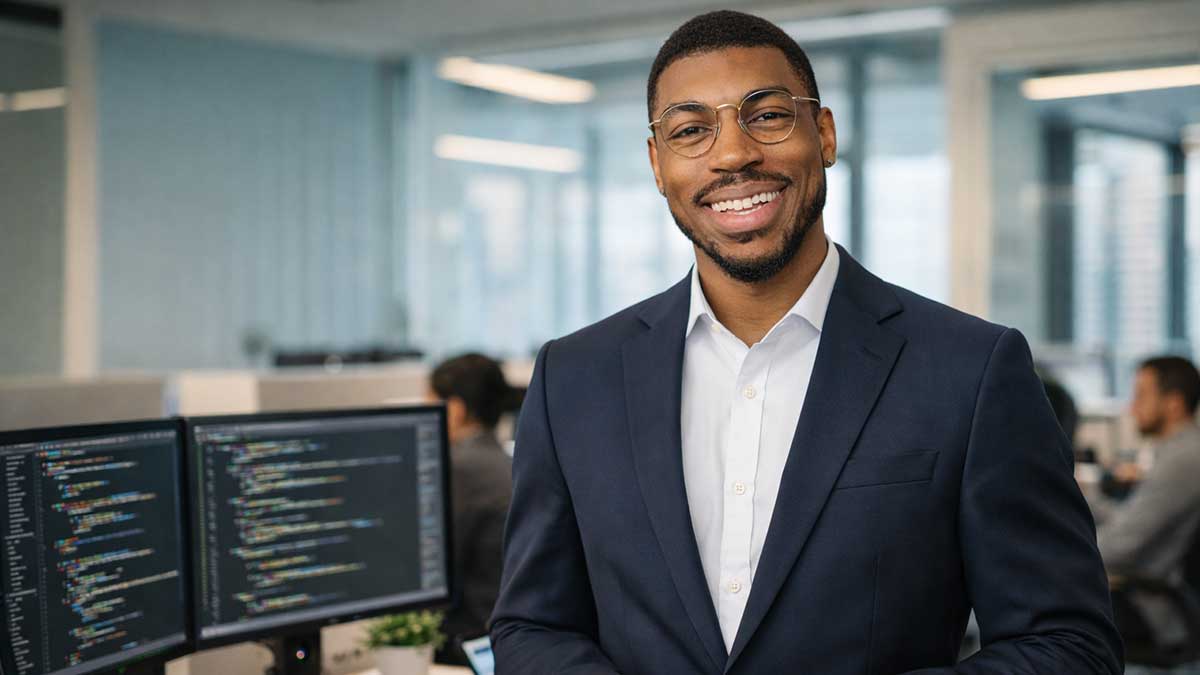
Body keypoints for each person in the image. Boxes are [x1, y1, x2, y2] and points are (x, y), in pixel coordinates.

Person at [490, 10, 1122, 674]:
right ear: (657, 163)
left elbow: (1068, 645)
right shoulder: (573, 379)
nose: (732, 154)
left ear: (824, 133)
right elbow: (533, 625)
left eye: (766, 116)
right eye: (691, 130)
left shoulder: (970, 370)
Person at [1097, 356, 1200, 649]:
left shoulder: (1183, 460)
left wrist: (1057, 549)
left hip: (1151, 608)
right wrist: (1082, 497)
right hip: (1140, 590)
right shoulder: (1176, 451)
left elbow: (1118, 547)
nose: (1132, 408)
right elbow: (1129, 520)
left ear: (1173, 403)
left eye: (1141, 396)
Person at [427, 353, 522, 664]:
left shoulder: (457, 467)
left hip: (467, 643)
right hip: (508, 637)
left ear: (455, 410)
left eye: (430, 402)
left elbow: (434, 573)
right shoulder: (508, 462)